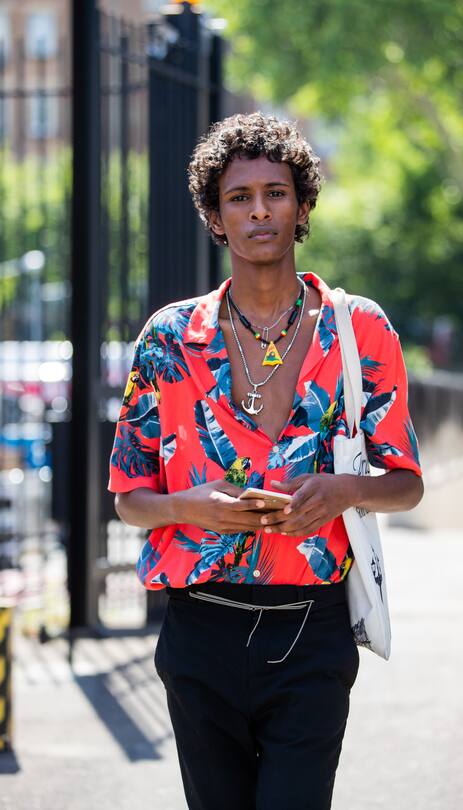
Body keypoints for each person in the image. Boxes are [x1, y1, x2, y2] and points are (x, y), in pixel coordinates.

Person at [107, 111, 424, 810]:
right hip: (198, 630)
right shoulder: (167, 339)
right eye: (238, 198)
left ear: (302, 205)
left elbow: (405, 485)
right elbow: (129, 496)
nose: (258, 212)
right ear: (215, 218)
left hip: (312, 632)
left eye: (275, 194)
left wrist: (344, 489)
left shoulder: (359, 329)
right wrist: (193, 507)